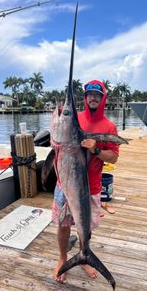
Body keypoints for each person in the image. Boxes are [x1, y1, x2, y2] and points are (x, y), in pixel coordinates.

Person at [52, 79, 120, 282]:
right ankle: (62, 258)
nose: (93, 98)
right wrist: (60, 119)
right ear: (85, 97)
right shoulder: (76, 119)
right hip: (65, 183)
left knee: (85, 227)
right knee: (63, 225)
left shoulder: (109, 126)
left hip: (91, 185)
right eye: (90, 94)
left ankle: (83, 258)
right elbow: (56, 141)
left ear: (103, 98)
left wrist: (95, 149)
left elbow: (114, 157)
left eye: (97, 95)